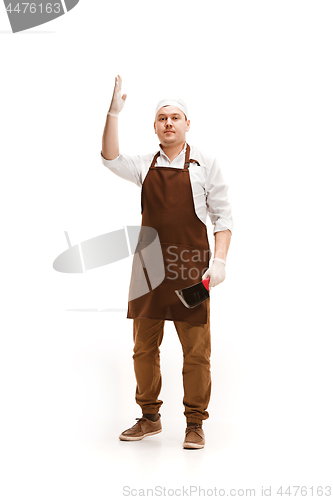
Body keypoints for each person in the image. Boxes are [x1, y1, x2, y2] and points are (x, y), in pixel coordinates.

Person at [101, 75, 233, 449]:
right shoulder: (145, 164)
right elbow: (110, 157)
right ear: (155, 126)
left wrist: (219, 262)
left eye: (175, 117)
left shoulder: (206, 164)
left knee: (196, 350)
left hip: (191, 267)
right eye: (162, 118)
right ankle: (149, 417)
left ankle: (195, 422)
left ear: (187, 124)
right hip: (148, 269)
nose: (169, 123)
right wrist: (112, 114)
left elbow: (223, 218)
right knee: (144, 347)